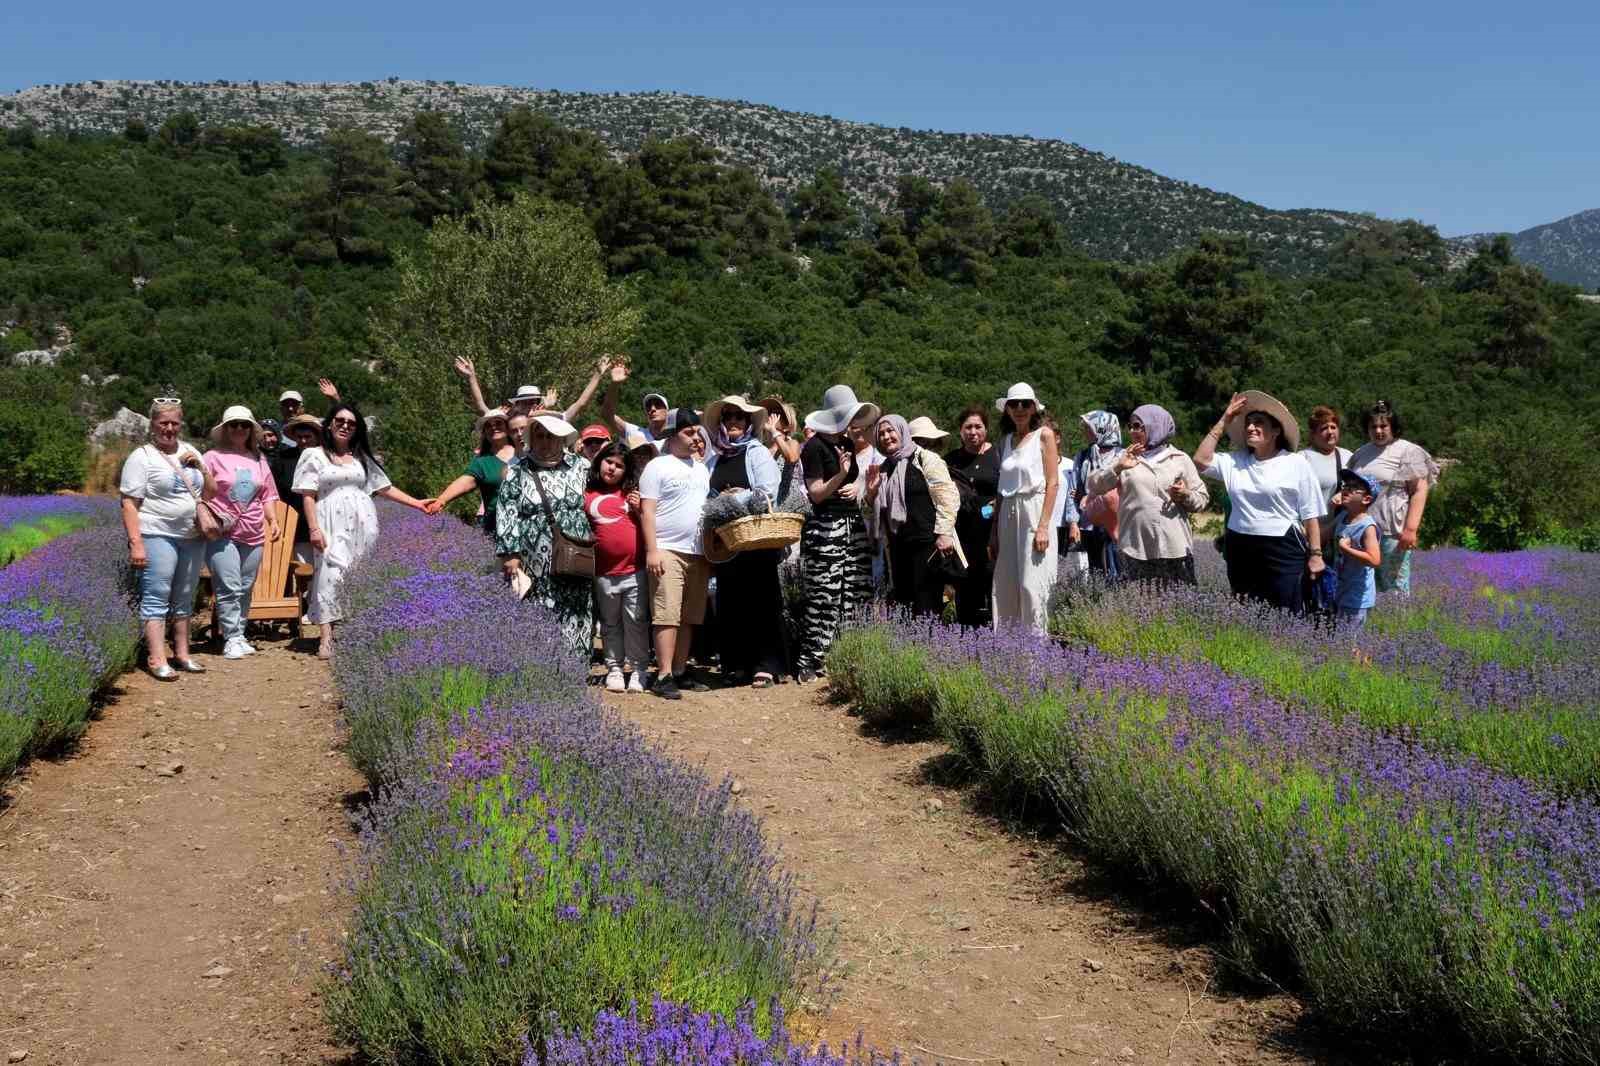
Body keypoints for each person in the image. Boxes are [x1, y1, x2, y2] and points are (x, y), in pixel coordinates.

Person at [294, 404, 432, 659]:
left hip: (363, 524)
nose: (345, 425)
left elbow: (384, 488)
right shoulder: (314, 455)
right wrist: (313, 528)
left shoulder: (361, 457)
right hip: (329, 523)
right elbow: (308, 495)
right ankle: (326, 638)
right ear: (329, 424)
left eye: (351, 423)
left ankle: (355, 634)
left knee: (358, 575)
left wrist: (417, 503)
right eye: (340, 420)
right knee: (329, 574)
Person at [1194, 391, 1326, 612]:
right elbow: (1200, 460)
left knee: (1286, 611)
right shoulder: (1235, 461)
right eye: (1247, 423)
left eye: (1259, 423)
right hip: (1240, 544)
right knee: (1246, 610)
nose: (1250, 427)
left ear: (1276, 430)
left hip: (1282, 545)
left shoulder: (1295, 463)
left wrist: (1316, 555)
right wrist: (1225, 419)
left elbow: (1310, 514)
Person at [120, 397, 216, 680]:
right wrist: (136, 542)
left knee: (185, 595)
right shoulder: (142, 457)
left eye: (174, 423)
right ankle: (156, 656)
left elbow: (210, 493)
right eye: (164, 423)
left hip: (191, 535)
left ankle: (183, 654)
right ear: (153, 425)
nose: (169, 428)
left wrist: (201, 467)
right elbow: (129, 503)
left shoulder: (190, 451)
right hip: (157, 533)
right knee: (157, 595)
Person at [794, 385, 880, 683]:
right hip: (826, 528)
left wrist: (855, 486)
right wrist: (841, 475)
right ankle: (810, 660)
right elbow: (816, 494)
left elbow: (851, 482)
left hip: (851, 525)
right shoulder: (814, 447)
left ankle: (844, 655)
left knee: (855, 592)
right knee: (823, 596)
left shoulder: (844, 442)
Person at [495, 413, 598, 658]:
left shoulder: (581, 466)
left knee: (578, 607)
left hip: (576, 551)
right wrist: (510, 554)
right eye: (539, 436)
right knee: (541, 606)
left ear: (561, 438)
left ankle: (575, 667)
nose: (544, 441)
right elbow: (507, 511)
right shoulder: (518, 471)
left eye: (550, 436)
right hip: (535, 558)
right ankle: (544, 668)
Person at [705, 396, 786, 687]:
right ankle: (737, 663)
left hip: (756, 539)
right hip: (728, 542)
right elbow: (706, 497)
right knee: (731, 600)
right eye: (728, 417)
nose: (733, 421)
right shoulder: (715, 459)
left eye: (739, 417)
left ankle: (766, 663)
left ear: (748, 422)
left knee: (761, 599)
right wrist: (729, 498)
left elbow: (767, 492)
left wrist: (732, 497)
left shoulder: (757, 453)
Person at [639, 409, 714, 699]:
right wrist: (652, 550)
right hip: (667, 549)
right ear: (672, 435)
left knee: (689, 616)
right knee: (667, 614)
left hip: (697, 552)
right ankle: (664, 674)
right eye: (688, 432)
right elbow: (648, 511)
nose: (696, 437)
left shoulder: (701, 468)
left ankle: (680, 671)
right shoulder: (657, 467)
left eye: (697, 432)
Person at [1088, 404, 1208, 586]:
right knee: (1140, 607)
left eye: (1138, 426)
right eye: (1130, 426)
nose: (1132, 431)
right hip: (1135, 547)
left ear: (1155, 426)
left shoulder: (1179, 459)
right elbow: (1094, 486)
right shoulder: (1125, 457)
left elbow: (1202, 499)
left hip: (1173, 546)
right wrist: (1118, 467)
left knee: (1178, 606)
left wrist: (1185, 494)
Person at [865, 415, 965, 618]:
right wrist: (871, 493)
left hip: (928, 545)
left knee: (927, 605)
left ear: (902, 431)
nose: (886, 436)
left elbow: (948, 497)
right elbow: (870, 512)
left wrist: (944, 533)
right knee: (905, 604)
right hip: (897, 547)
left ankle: (929, 649)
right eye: (881, 433)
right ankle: (910, 648)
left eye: (890, 430)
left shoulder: (925, 459)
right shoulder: (884, 469)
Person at [203, 406, 282, 659]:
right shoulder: (212, 457)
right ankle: (232, 638)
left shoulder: (258, 459)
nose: (239, 429)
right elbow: (198, 489)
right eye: (234, 424)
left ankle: (240, 632)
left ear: (251, 430)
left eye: (244, 425)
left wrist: (274, 520)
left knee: (246, 586)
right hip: (223, 530)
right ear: (225, 428)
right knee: (229, 585)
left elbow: (267, 494)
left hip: (254, 530)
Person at [989, 383, 1062, 632]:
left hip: (1034, 510)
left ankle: (1037, 655)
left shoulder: (1044, 435)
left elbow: (1053, 482)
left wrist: (1043, 527)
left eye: (1025, 404)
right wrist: (994, 533)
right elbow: (1001, 489)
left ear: (1033, 408)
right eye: (1014, 404)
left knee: (1033, 583)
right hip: (1007, 513)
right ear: (1007, 409)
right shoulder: (1006, 441)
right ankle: (1009, 652)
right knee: (1006, 584)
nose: (1019, 409)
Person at [1348, 400, 1437, 596]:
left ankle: (1395, 626)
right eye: (1373, 426)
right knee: (1365, 588)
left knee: (1394, 588)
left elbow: (1419, 490)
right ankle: (1368, 626)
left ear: (1393, 426)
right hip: (1363, 530)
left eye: (1383, 426)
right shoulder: (1361, 453)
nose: (1378, 431)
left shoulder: (1407, 450)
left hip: (1392, 532)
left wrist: (1411, 529)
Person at [584, 441, 649, 693]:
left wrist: (637, 507)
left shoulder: (632, 494)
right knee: (610, 623)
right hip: (602, 573)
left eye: (619, 465)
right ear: (600, 462)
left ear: (626, 471)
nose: (612, 468)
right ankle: (614, 668)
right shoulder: (587, 494)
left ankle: (638, 670)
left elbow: (649, 521)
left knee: (636, 621)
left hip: (634, 570)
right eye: (609, 461)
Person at [944, 405, 1000, 628]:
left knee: (993, 587)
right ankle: (967, 638)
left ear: (986, 429)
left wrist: (992, 509)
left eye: (978, 426)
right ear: (960, 430)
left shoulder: (997, 456)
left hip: (993, 534)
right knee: (965, 588)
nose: (973, 431)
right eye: (968, 427)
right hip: (963, 536)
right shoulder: (951, 460)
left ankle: (999, 638)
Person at [424, 410, 518, 533]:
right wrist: (442, 499)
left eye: (498, 423)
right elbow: (466, 481)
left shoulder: (525, 452)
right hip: (499, 527)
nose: (493, 427)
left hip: (532, 524)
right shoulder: (482, 462)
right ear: (484, 432)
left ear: (507, 426)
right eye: (488, 425)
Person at [1073, 410, 1124, 578]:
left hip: (1118, 524)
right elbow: (1075, 490)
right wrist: (1073, 520)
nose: (1085, 433)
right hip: (1090, 524)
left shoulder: (1123, 456)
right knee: (1096, 573)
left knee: (1119, 570)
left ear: (1103, 429)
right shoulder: (1083, 457)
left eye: (1089, 428)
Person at [1332, 470, 1382, 630]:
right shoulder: (1343, 517)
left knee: (1349, 642)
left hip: (1357, 594)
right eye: (1346, 485)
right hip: (1341, 589)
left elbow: (1374, 560)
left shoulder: (1367, 526)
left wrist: (1346, 549)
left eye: (1354, 487)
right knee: (1342, 638)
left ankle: (1360, 656)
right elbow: (1322, 534)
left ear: (1366, 499)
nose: (1346, 489)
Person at [275, 414, 323, 565]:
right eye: (299, 437)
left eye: (308, 436)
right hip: (294, 525)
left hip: (323, 521)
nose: (303, 441)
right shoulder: (283, 458)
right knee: (301, 570)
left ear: (317, 436)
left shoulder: (326, 457)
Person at [601, 360, 671, 449]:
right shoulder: (636, 434)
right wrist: (615, 384)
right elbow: (607, 414)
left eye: (658, 405)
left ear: (667, 411)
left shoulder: (676, 440)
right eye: (648, 406)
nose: (652, 408)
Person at [1043, 414, 1081, 558]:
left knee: (1063, 570)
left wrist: (1074, 524)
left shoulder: (1070, 466)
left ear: (1057, 438)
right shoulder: (1034, 466)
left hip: (1063, 527)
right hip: (1040, 526)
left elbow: (1075, 497)